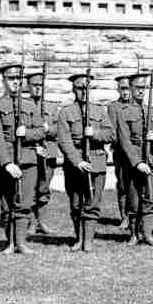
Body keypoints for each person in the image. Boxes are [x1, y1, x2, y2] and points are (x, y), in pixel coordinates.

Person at [0, 63, 45, 254]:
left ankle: (20, 243)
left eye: (18, 78)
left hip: (28, 162)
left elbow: (41, 131)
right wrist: (7, 162)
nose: (15, 82)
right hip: (8, 163)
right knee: (7, 204)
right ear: (3, 81)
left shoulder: (30, 106)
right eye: (11, 78)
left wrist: (26, 133)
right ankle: (9, 242)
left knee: (25, 203)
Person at [56, 73, 115, 253]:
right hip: (74, 166)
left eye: (87, 88)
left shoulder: (99, 111)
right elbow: (64, 140)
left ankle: (88, 240)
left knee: (92, 203)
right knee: (76, 204)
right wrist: (77, 161)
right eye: (80, 88)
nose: (84, 92)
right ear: (74, 90)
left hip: (96, 162)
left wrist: (94, 133)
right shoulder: (66, 112)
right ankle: (78, 238)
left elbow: (111, 134)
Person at [116, 73, 153, 245]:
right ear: (130, 88)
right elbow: (124, 140)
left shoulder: (152, 111)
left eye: (143, 88)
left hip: (152, 160)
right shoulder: (123, 112)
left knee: (150, 198)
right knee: (133, 199)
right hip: (133, 163)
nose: (140, 91)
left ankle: (148, 234)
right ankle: (133, 234)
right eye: (137, 87)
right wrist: (137, 162)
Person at [25, 70, 58, 234]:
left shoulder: (52, 106)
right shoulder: (24, 106)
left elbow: (60, 129)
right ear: (28, 86)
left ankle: (42, 222)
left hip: (49, 153)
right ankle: (31, 222)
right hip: (31, 152)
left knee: (44, 189)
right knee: (30, 189)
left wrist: (48, 128)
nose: (38, 89)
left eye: (41, 85)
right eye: (34, 85)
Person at [107, 75, 132, 229]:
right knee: (123, 185)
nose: (126, 92)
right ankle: (124, 216)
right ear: (118, 89)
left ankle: (137, 215)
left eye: (128, 88)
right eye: (123, 89)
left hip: (137, 153)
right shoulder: (113, 107)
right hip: (121, 153)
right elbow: (112, 131)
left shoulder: (138, 106)